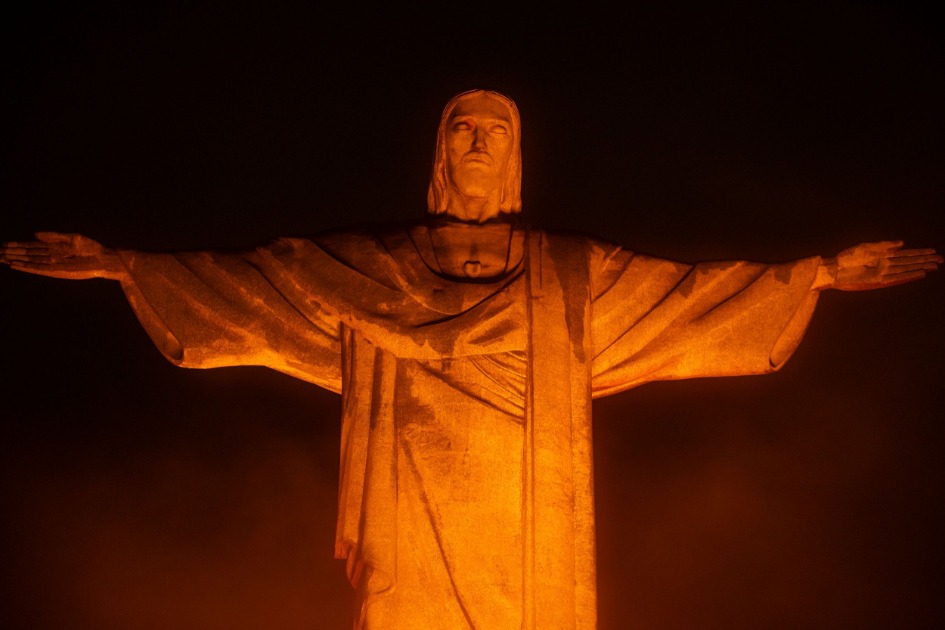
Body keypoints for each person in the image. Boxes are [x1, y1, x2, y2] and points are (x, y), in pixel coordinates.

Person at [1, 89, 940, 630]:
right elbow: (253, 287)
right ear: (440, 152)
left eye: (495, 128)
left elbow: (689, 298)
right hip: (408, 506)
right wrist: (123, 265)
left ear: (516, 154)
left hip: (525, 522)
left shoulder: (571, 278)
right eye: (461, 127)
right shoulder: (369, 268)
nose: (478, 139)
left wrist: (812, 274)